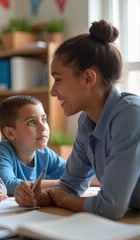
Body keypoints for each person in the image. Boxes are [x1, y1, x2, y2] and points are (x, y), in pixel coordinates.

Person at [14, 19, 140, 220]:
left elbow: (110, 208)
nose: (53, 91)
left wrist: (63, 200)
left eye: (59, 79)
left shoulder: (131, 115)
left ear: (88, 78)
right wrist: (37, 196)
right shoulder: (86, 122)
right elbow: (70, 186)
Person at [0, 95, 66, 196]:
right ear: (10, 133)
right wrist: (60, 183)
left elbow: (74, 174)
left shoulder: (45, 154)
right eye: (32, 122)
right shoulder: (2, 151)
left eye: (44, 120)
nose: (43, 127)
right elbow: (7, 185)